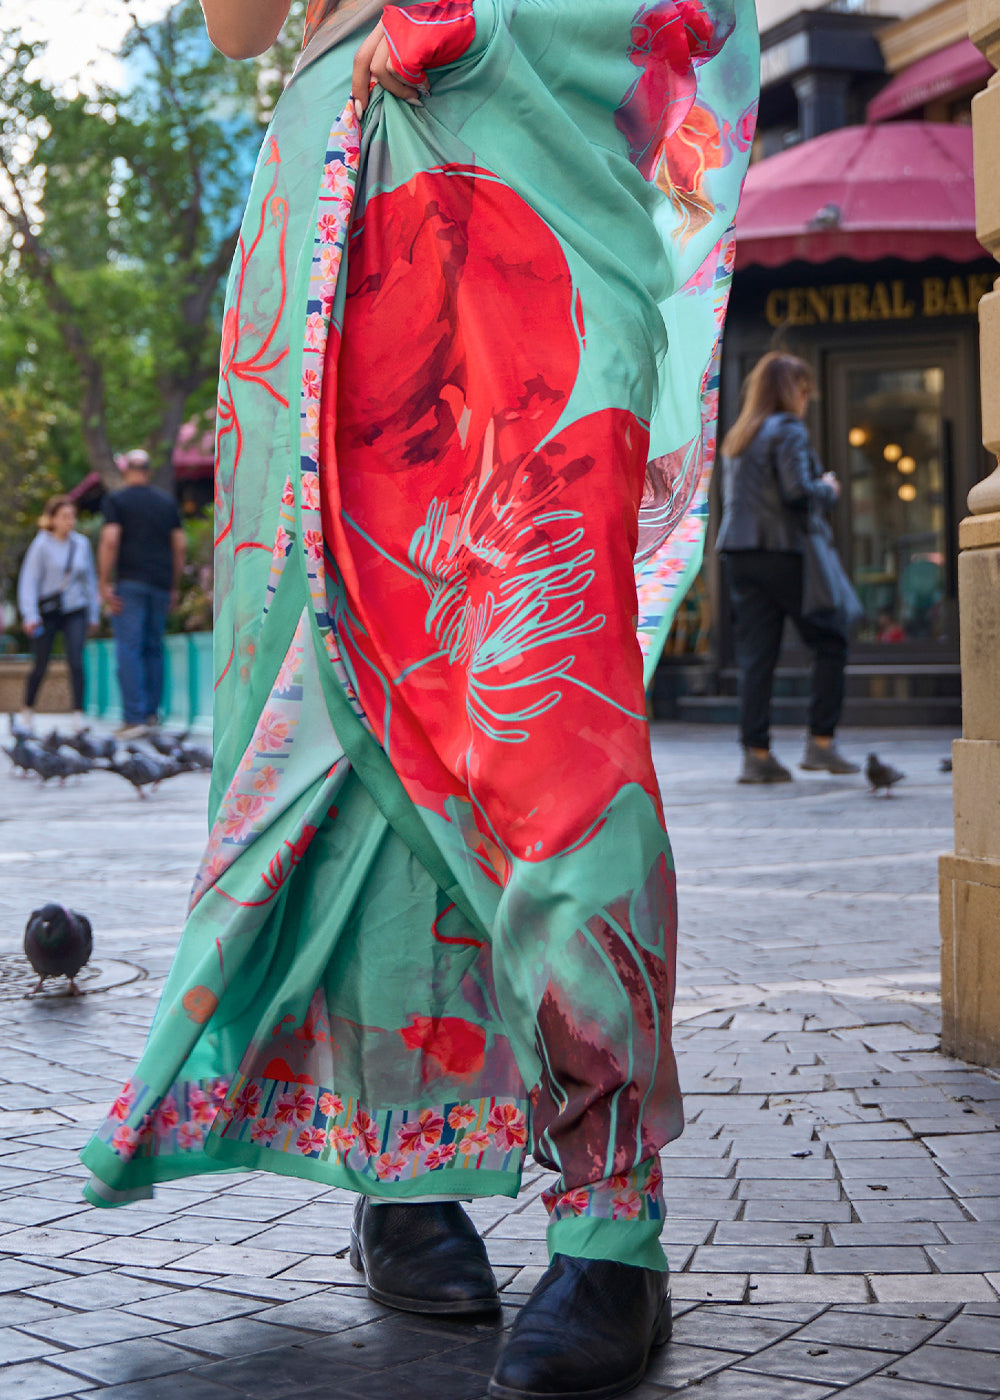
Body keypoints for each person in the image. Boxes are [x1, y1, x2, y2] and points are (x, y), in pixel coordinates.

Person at [81, 5, 758, 1397]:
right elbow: (234, 24)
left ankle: (610, 1216)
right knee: (335, 690)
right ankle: (403, 1165)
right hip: (344, 170)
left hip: (565, 133)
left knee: (551, 699)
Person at [716, 352, 860, 784]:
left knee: (757, 656)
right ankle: (821, 744)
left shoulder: (740, 437)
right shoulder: (789, 430)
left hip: (740, 554)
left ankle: (756, 753)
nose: (807, 400)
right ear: (790, 390)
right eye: (804, 390)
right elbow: (798, 493)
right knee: (831, 639)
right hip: (783, 552)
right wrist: (828, 488)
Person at [98, 448, 185, 738]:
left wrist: (103, 583)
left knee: (130, 647)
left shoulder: (117, 500)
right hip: (160, 584)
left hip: (130, 583)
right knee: (153, 648)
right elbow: (180, 547)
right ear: (147, 471)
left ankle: (133, 717)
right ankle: (150, 715)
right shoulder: (166, 502)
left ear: (126, 471)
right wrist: (173, 586)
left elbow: (110, 541)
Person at [17, 495, 100, 730]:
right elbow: (29, 581)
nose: (69, 521)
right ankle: (27, 709)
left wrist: (93, 614)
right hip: (48, 611)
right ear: (52, 519)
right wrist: (30, 615)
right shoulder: (41, 545)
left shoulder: (81, 544)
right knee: (41, 663)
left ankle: (78, 714)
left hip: (75, 608)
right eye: (64, 516)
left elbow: (90, 581)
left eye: (72, 516)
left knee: (76, 660)